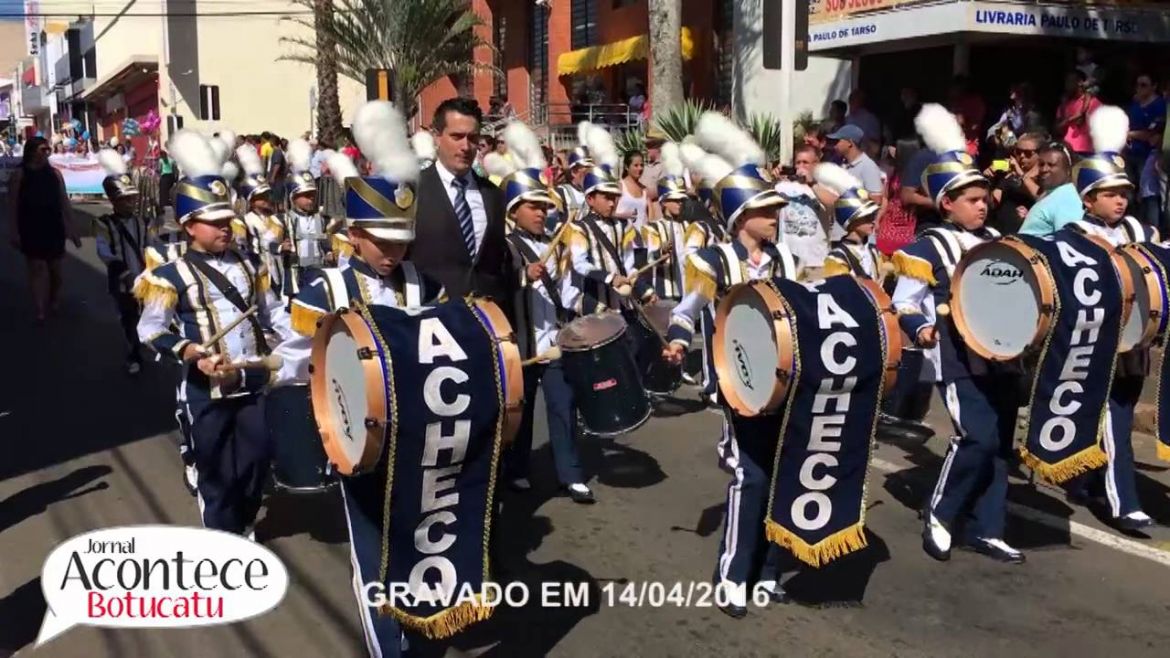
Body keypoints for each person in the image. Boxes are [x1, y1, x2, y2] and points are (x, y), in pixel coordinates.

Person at [271, 102, 441, 657]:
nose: (394, 252)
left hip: (422, 436)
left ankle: (416, 624)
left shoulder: (428, 285)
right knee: (373, 554)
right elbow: (295, 361)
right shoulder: (322, 292)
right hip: (359, 441)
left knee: (420, 544)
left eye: (402, 240)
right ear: (354, 233)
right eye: (382, 239)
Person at [661, 114, 798, 617]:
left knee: (783, 477)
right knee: (751, 479)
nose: (775, 217)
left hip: (781, 385)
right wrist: (677, 343)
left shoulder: (783, 259)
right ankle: (732, 578)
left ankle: (768, 573)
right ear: (742, 216)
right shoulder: (712, 262)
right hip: (738, 385)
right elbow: (684, 312)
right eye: (766, 209)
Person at [134, 129, 292, 537]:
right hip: (205, 387)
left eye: (227, 220)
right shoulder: (169, 275)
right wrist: (192, 354)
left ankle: (245, 519)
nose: (225, 227)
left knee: (257, 460)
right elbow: (149, 329)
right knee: (216, 470)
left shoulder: (251, 262)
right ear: (189, 226)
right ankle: (224, 537)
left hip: (253, 377)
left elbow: (275, 313)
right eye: (214, 222)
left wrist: (300, 346)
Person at [891, 104, 1023, 564]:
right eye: (971, 198)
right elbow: (903, 301)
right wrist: (921, 327)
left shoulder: (999, 241)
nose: (983, 203)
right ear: (947, 203)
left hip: (1003, 354)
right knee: (976, 437)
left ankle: (990, 528)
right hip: (955, 354)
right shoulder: (926, 246)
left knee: (1000, 443)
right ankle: (942, 514)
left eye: (985, 197)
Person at [1057, 105, 1158, 531]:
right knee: (1114, 420)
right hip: (1094, 343)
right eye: (1110, 192)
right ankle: (1123, 504)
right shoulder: (1071, 239)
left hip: (1136, 342)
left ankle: (1082, 479)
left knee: (1114, 411)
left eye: (1125, 192)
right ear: (1088, 198)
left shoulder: (1140, 232)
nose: (1121, 199)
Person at [488, 121, 593, 503]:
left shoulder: (557, 243)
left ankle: (571, 475)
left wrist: (581, 307)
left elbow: (565, 292)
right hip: (520, 344)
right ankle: (516, 470)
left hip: (554, 344)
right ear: (515, 209)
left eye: (545, 207)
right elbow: (492, 289)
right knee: (522, 412)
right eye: (533, 206)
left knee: (563, 409)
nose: (541, 213)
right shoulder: (503, 246)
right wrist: (521, 275)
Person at [410, 97, 513, 306]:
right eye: (457, 136)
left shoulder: (494, 195)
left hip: (489, 319)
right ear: (437, 137)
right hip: (432, 318)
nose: (466, 146)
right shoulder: (413, 191)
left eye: (473, 138)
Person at [566, 124, 657, 316]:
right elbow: (580, 264)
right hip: (595, 303)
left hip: (623, 302)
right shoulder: (579, 229)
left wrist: (645, 290)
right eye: (606, 198)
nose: (612, 203)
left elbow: (629, 265)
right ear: (590, 199)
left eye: (614, 197)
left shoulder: (623, 226)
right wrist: (610, 278)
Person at [6, 136, 79, 321]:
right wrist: (13, 230)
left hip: (53, 225)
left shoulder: (55, 174)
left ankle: (53, 298)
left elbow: (65, 202)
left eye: (48, 150)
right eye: (42, 150)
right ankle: (40, 309)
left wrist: (72, 227)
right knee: (37, 267)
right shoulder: (20, 175)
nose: (46, 153)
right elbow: (13, 204)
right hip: (30, 226)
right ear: (31, 151)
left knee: (56, 270)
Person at [95, 148, 149, 375]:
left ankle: (145, 344)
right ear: (114, 200)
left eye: (132, 198)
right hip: (122, 279)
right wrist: (121, 269)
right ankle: (132, 354)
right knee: (128, 317)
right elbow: (103, 250)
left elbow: (150, 245)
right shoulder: (103, 223)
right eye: (125, 199)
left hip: (144, 276)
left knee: (147, 314)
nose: (131, 203)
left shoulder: (140, 221)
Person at [271, 138, 329, 302]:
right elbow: (268, 244)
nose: (310, 200)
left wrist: (329, 251)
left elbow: (323, 240)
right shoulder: (283, 220)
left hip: (318, 269)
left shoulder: (321, 219)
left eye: (312, 195)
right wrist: (281, 247)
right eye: (305, 196)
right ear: (293, 197)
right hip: (296, 271)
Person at [816, 162, 883, 279]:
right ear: (851, 220)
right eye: (866, 218)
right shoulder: (837, 257)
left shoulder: (874, 251)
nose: (872, 221)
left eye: (872, 217)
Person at [643, 142, 690, 300]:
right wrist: (661, 251)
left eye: (681, 200)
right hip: (668, 292)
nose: (679, 203)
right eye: (674, 200)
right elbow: (650, 259)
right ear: (663, 202)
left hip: (689, 291)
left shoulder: (690, 226)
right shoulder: (654, 228)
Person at [775, 144, 833, 272]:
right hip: (789, 261)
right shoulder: (782, 187)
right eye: (798, 162)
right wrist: (772, 178)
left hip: (817, 261)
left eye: (805, 163)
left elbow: (834, 205)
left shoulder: (825, 186)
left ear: (816, 164)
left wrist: (812, 183)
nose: (801, 167)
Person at [987, 132, 1044, 235]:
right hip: (1001, 231)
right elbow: (992, 202)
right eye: (1018, 152)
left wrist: (1020, 174)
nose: (1021, 156)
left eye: (1027, 153)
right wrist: (987, 180)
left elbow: (1041, 197)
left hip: (1025, 235)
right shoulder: (1010, 174)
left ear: (1040, 154)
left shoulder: (1044, 176)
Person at [1019, 143, 1081, 235]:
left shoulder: (1067, 199)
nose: (1044, 169)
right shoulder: (1052, 193)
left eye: (1051, 165)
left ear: (1068, 170)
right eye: (1041, 164)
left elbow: (1070, 240)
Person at [828, 124, 885, 204]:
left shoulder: (868, 166)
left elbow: (877, 199)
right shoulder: (839, 162)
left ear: (849, 143)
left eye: (837, 141)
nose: (834, 146)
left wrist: (852, 194)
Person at [1056, 71, 1101, 156]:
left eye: (1070, 81)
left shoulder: (1093, 102)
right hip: (1067, 149)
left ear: (1080, 82)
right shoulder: (1064, 104)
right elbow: (1057, 128)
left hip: (1086, 150)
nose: (1067, 85)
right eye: (1066, 82)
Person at [616, 150, 650, 229]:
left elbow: (649, 217)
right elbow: (609, 213)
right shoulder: (620, 186)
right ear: (627, 167)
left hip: (642, 237)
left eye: (642, 165)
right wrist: (624, 215)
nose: (640, 168)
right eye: (636, 165)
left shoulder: (644, 190)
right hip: (623, 235)